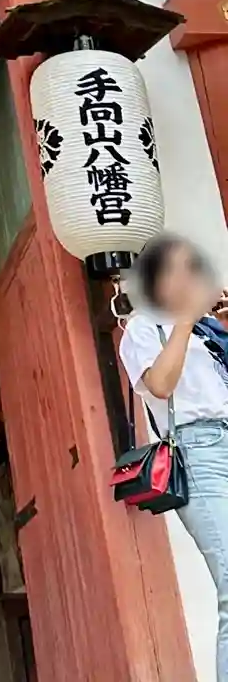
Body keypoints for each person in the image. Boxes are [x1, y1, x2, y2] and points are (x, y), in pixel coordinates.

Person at [120, 234, 228, 680]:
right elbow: (161, 385)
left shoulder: (210, 330)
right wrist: (185, 319)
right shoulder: (144, 328)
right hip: (200, 453)